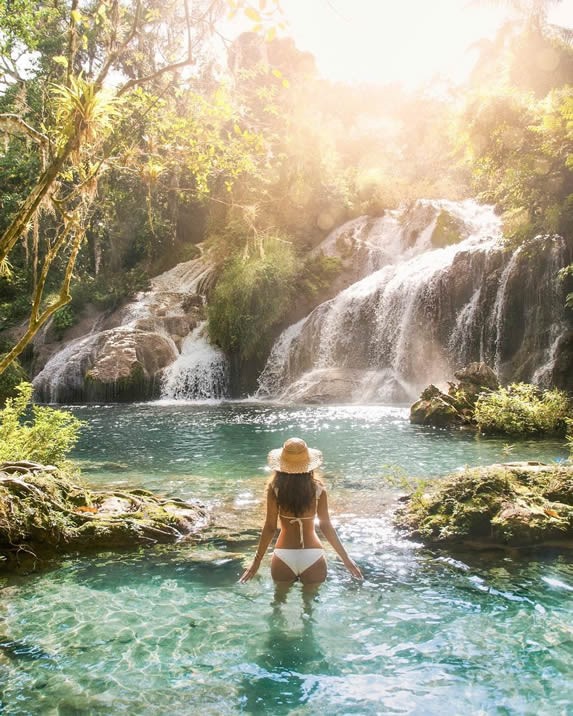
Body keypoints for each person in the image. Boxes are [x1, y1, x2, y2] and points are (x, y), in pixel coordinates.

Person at [240, 437, 363, 584]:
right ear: (309, 465)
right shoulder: (318, 490)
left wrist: (256, 562)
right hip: (313, 555)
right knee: (310, 606)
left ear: (281, 465)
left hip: (283, 554)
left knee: (278, 604)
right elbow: (326, 526)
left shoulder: (275, 489)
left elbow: (270, 527)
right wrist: (346, 559)